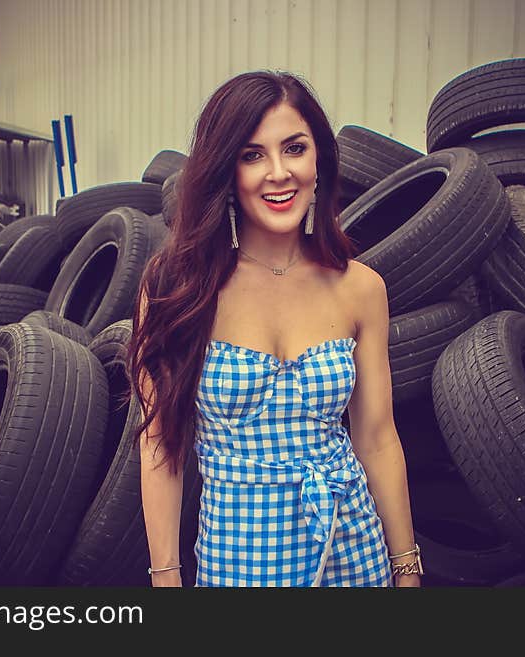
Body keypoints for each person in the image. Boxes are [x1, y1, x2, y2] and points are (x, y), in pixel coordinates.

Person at [130, 70, 421, 587]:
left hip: (351, 552)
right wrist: (166, 579)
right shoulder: (177, 287)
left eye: (294, 148)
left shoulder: (361, 288)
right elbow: (160, 446)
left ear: (319, 162)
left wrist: (406, 568)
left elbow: (376, 438)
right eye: (252, 155)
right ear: (225, 170)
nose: (278, 172)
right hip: (238, 563)